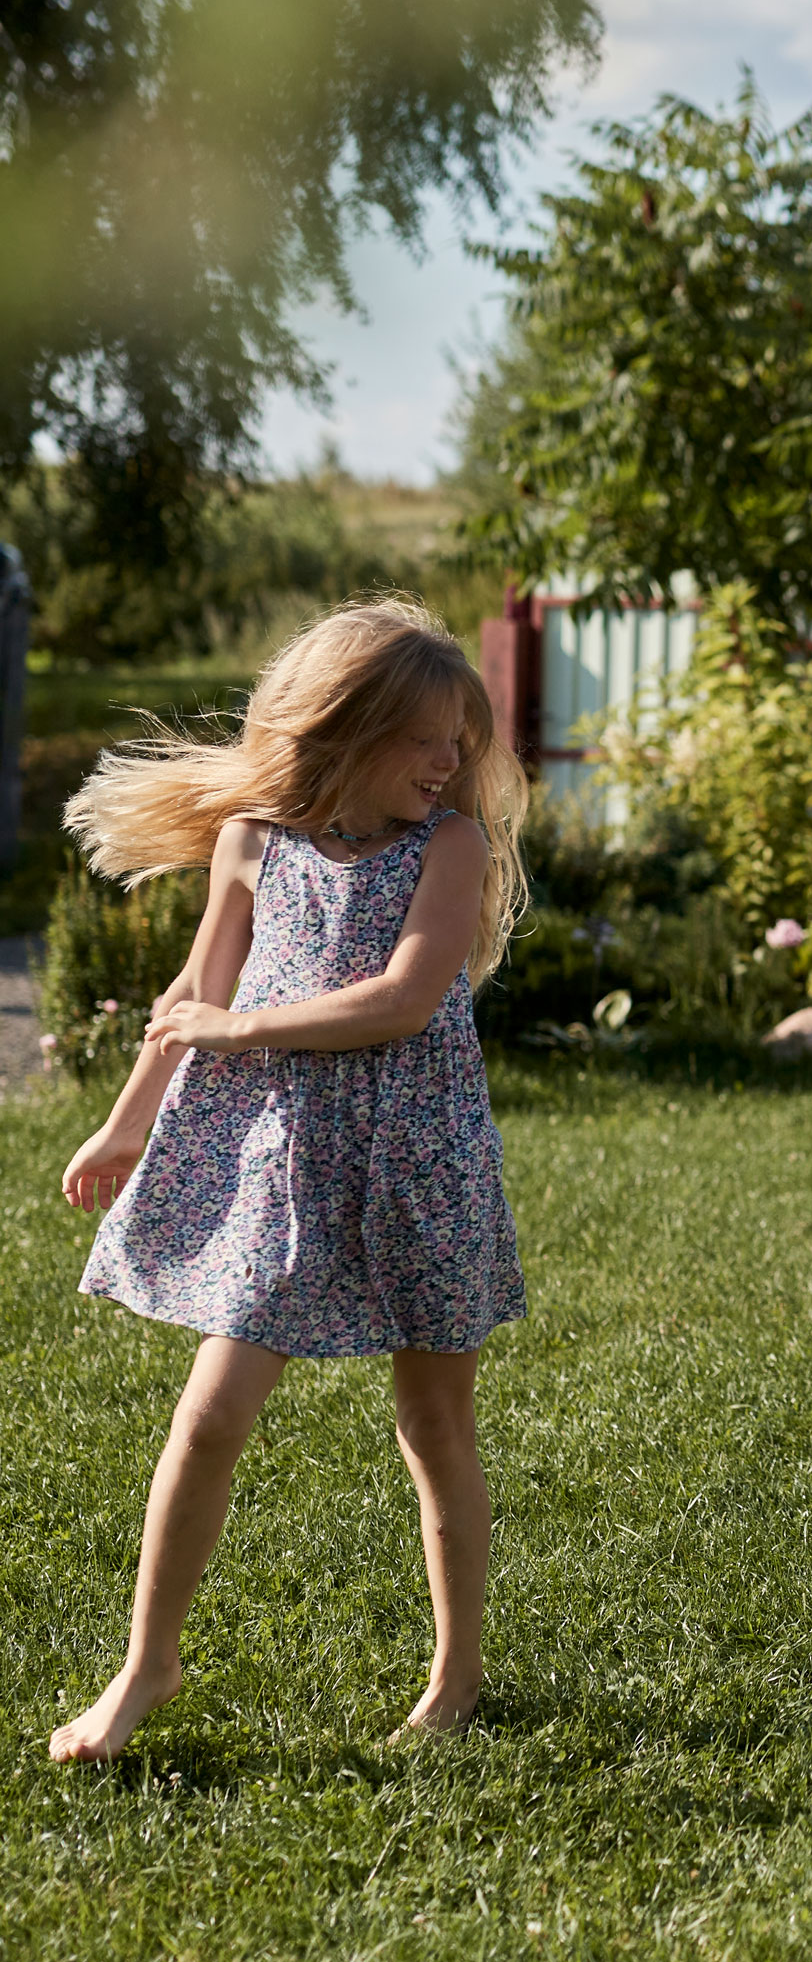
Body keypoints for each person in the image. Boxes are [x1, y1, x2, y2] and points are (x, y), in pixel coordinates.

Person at [48, 599, 530, 1762]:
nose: (447, 761)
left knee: (433, 1422)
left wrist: (238, 1026)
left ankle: (457, 1677)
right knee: (209, 1415)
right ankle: (147, 1663)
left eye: (459, 739)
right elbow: (188, 997)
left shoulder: (449, 846)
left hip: (424, 1161)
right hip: (285, 1167)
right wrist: (123, 1127)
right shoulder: (254, 838)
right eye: (422, 739)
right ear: (342, 730)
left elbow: (407, 998)